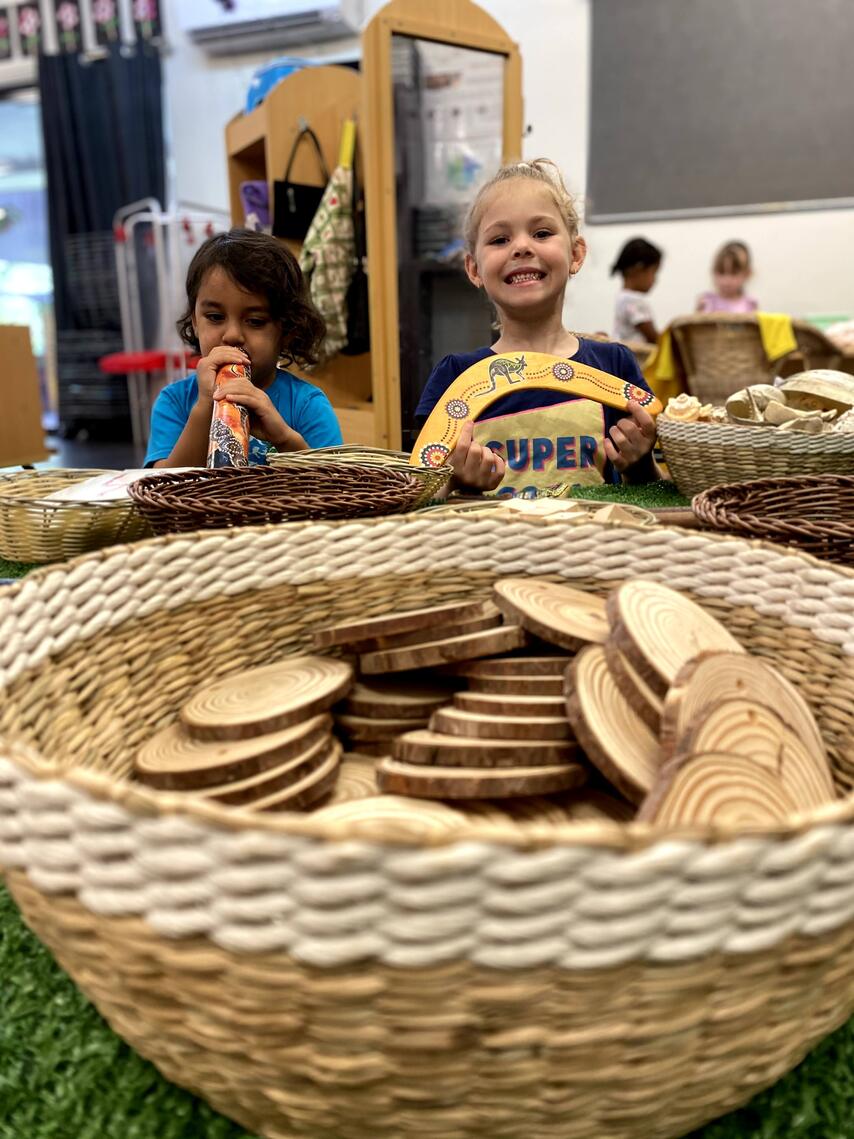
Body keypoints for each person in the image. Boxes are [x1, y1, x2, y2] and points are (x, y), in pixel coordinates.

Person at [414, 159, 659, 496]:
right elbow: (424, 497)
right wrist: (458, 482)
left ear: (575, 254)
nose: (521, 247)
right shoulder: (454, 376)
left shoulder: (615, 365)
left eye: (542, 233)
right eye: (499, 239)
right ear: (474, 269)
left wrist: (639, 464)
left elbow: (653, 495)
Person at [145, 229, 342, 467]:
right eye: (215, 317)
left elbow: (334, 483)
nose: (232, 335)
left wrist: (284, 438)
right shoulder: (175, 402)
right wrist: (205, 407)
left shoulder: (307, 405)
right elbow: (163, 484)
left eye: (255, 321)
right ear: (195, 321)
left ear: (288, 330)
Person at [611, 237, 663, 345]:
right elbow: (651, 336)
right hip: (635, 354)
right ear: (638, 269)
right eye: (654, 272)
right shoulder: (634, 301)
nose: (655, 279)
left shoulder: (622, 297)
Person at [697, 241, 758, 314]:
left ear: (746, 274)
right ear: (714, 272)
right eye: (721, 272)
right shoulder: (707, 301)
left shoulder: (750, 304)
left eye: (734, 273)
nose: (727, 280)